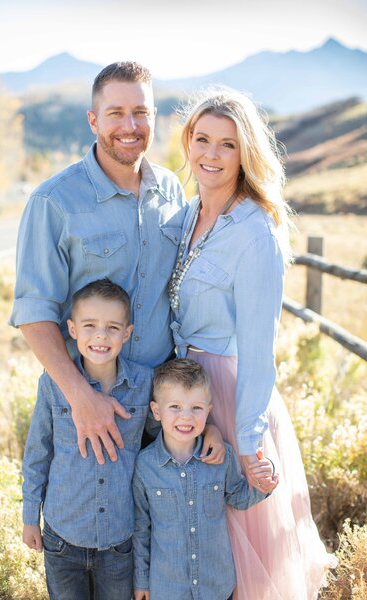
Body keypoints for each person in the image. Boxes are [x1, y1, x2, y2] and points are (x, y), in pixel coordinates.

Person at [9, 61, 223, 464]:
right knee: (88, 523)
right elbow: (34, 313)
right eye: (115, 113)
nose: (130, 125)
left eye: (141, 112)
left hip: (163, 408)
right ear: (93, 120)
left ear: (154, 118)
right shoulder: (53, 201)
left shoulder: (172, 192)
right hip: (92, 403)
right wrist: (81, 397)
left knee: (162, 523)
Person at [168, 88, 336, 599]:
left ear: (246, 154)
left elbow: (260, 351)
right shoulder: (185, 217)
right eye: (202, 140)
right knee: (191, 550)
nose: (211, 155)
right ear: (187, 142)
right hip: (181, 391)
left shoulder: (256, 232)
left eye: (227, 145)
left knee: (236, 560)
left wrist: (247, 442)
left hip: (231, 393)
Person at [22, 279, 153, 599]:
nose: (100, 335)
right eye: (90, 325)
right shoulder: (54, 383)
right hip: (62, 536)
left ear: (127, 332)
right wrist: (29, 517)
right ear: (73, 329)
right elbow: (38, 450)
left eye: (112, 327)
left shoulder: (144, 383)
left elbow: (165, 437)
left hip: (119, 541)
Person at [133, 359, 278, 600]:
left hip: (216, 585)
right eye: (175, 407)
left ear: (208, 410)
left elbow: (239, 497)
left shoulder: (222, 456)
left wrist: (263, 483)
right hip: (167, 587)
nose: (186, 417)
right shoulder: (145, 466)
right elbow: (141, 527)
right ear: (156, 411)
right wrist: (141, 580)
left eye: (196, 408)